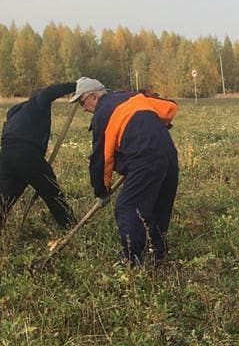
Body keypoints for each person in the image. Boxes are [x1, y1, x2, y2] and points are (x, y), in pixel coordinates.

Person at [74, 77, 179, 265]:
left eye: (82, 102)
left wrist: (101, 191)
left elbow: (101, 159)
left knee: (127, 207)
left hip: (145, 158)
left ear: (93, 96)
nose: (84, 108)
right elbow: (167, 108)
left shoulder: (102, 114)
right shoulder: (130, 97)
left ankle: (133, 261)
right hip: (168, 152)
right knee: (157, 205)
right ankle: (159, 254)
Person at [0, 82, 78, 232]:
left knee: (5, 194)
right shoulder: (37, 104)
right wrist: (76, 85)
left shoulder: (15, 111)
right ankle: (70, 227)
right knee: (51, 191)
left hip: (6, 153)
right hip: (26, 153)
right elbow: (49, 92)